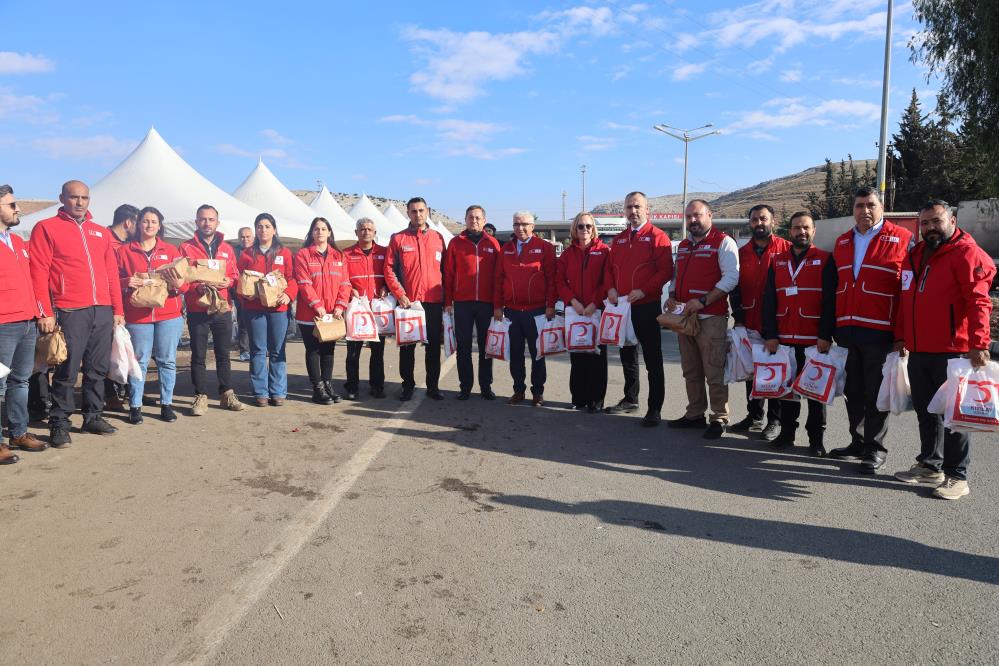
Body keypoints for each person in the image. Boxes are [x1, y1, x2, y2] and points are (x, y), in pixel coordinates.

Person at [893, 200, 995, 500]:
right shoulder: (916, 255)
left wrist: (979, 343)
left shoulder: (967, 254)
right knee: (927, 411)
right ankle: (930, 465)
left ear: (952, 220)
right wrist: (901, 337)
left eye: (936, 221)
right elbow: (906, 298)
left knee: (954, 417)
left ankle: (957, 476)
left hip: (953, 351)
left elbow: (979, 302)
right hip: (920, 349)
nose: (929, 228)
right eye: (924, 223)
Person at [29, 180, 124, 447]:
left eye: (84, 197)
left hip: (102, 310)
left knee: (98, 367)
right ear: (62, 198)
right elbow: (38, 272)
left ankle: (93, 415)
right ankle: (60, 422)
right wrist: (44, 312)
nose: (80, 202)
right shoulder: (46, 228)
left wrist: (117, 309)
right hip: (70, 309)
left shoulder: (100, 233)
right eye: (74, 197)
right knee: (67, 368)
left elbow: (111, 275)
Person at [828, 187, 913, 473]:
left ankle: (875, 450)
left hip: (881, 332)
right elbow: (833, 289)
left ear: (882, 206)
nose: (864, 210)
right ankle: (858, 441)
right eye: (859, 205)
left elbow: (908, 293)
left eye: (870, 205)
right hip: (847, 331)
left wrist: (901, 335)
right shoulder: (842, 242)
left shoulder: (903, 239)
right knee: (853, 390)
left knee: (877, 393)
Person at [760, 212, 837, 456]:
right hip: (784, 339)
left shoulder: (825, 259)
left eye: (805, 228)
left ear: (813, 231)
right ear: (789, 231)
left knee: (815, 393)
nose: (800, 232)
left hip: (814, 340)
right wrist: (770, 335)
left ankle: (816, 439)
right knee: (787, 392)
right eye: (796, 228)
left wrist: (826, 335)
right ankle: (787, 434)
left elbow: (830, 302)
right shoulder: (778, 261)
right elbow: (769, 300)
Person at [666, 199, 740, 439]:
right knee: (691, 370)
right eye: (688, 217)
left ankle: (719, 417)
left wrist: (704, 301)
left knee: (713, 370)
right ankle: (695, 413)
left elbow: (731, 278)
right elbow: (676, 276)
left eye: (697, 215)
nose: (692, 221)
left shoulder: (724, 242)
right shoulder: (685, 245)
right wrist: (671, 295)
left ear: (709, 215)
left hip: (711, 317)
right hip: (684, 317)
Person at [605, 191, 674, 426]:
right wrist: (611, 289)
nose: (632, 211)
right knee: (627, 354)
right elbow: (609, 270)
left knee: (653, 358)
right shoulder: (620, 239)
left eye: (637, 207)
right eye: (628, 207)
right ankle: (630, 398)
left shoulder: (658, 236)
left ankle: (655, 408)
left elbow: (665, 270)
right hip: (623, 307)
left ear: (647, 209)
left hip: (647, 306)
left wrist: (644, 290)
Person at [115, 207, 187, 424]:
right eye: (145, 221)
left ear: (159, 225)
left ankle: (167, 404)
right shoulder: (124, 251)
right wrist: (126, 282)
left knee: (167, 361)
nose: (149, 225)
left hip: (169, 314)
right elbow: (112, 282)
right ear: (138, 224)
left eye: (153, 222)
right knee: (140, 361)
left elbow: (184, 286)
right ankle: (135, 405)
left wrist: (178, 284)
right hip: (138, 315)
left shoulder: (171, 251)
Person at [729, 204, 789, 439]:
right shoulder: (741, 253)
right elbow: (734, 288)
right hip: (749, 321)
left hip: (778, 323)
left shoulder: (786, 249)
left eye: (763, 219)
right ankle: (754, 415)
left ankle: (774, 420)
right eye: (754, 220)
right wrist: (739, 318)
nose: (759, 223)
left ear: (772, 221)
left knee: (774, 371)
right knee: (751, 370)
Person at [179, 205, 244, 415]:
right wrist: (197, 286)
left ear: (217, 222)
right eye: (203, 219)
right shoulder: (186, 248)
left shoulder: (226, 248)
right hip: (199, 308)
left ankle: (226, 393)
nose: (207, 223)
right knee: (198, 355)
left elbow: (234, 274)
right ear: (196, 222)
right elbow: (181, 280)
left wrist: (229, 281)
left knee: (223, 354)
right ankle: (200, 396)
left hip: (222, 308)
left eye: (211, 219)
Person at [0, 184, 47, 463]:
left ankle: (18, 432)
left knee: (20, 381)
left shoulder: (18, 242)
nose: (18, 209)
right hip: (3, 325)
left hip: (27, 321)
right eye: (11, 204)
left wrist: (40, 313)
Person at [384, 197, 446, 401]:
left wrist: (447, 300)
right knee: (407, 348)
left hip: (433, 302)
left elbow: (445, 270)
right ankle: (407, 386)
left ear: (427, 211)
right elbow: (389, 270)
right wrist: (400, 294)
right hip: (408, 304)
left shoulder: (438, 238)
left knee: (433, 347)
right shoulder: (398, 239)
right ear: (407, 213)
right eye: (413, 211)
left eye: (421, 210)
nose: (417, 214)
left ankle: (433, 386)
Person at [493, 211, 556, 406]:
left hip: (536, 311)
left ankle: (538, 392)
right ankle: (518, 390)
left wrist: (551, 305)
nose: (520, 228)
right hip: (512, 311)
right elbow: (498, 280)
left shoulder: (545, 247)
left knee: (538, 354)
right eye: (516, 224)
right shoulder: (506, 249)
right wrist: (497, 306)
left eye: (524, 224)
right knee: (516, 355)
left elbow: (552, 279)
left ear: (533, 226)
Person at [237, 213, 298, 406]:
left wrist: (288, 294)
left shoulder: (284, 253)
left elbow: (293, 279)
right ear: (255, 230)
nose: (263, 230)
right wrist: (244, 295)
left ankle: (278, 391)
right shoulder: (247, 254)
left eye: (267, 226)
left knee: (277, 349)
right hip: (254, 309)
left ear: (274, 229)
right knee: (257, 350)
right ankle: (260, 392)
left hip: (278, 309)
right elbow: (239, 279)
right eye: (259, 226)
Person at [445, 205, 501, 400]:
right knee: (464, 347)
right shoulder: (455, 243)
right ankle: (465, 387)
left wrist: (497, 305)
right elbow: (448, 275)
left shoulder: (493, 243)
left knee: (487, 347)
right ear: (465, 219)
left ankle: (486, 386)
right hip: (462, 303)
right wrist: (448, 302)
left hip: (486, 304)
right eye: (470, 217)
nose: (474, 221)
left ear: (484, 220)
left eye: (478, 218)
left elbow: (498, 277)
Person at [557, 212, 612, 412]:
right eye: (581, 226)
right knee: (578, 355)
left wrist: (593, 304)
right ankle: (579, 398)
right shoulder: (567, 254)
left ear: (594, 228)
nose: (585, 230)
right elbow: (559, 281)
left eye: (589, 226)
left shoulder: (604, 251)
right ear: (575, 229)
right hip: (575, 311)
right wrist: (573, 302)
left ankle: (596, 400)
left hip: (596, 311)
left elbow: (606, 281)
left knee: (597, 357)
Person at [294, 217, 351, 405]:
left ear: (329, 232)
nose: (320, 232)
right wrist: (317, 305)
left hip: (332, 314)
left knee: (328, 350)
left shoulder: (339, 256)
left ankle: (328, 385)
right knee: (313, 350)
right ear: (311, 233)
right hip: (310, 314)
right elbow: (304, 282)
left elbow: (345, 283)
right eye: (316, 229)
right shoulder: (303, 255)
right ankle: (317, 388)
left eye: (323, 229)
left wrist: (340, 305)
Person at [343, 218, 388, 400]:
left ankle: (377, 386)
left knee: (378, 352)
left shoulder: (384, 252)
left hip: (377, 310)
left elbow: (390, 274)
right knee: (353, 352)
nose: (366, 232)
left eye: (369, 229)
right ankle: (352, 387)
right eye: (362, 229)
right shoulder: (346, 254)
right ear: (356, 232)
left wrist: (386, 286)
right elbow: (342, 279)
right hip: (357, 311)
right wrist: (349, 289)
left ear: (375, 233)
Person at [104, 204, 139, 409]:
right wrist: (126, 282)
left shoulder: (126, 244)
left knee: (124, 350)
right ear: (128, 222)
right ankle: (110, 394)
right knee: (110, 351)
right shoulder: (104, 241)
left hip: (126, 307)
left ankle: (126, 391)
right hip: (107, 307)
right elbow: (106, 277)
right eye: (138, 222)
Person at [234, 226, 254, 361]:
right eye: (242, 236)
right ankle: (244, 350)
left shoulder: (257, 251)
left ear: (253, 237)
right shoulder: (234, 252)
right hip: (240, 292)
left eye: (248, 236)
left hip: (257, 292)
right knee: (243, 321)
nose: (245, 239)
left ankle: (260, 348)